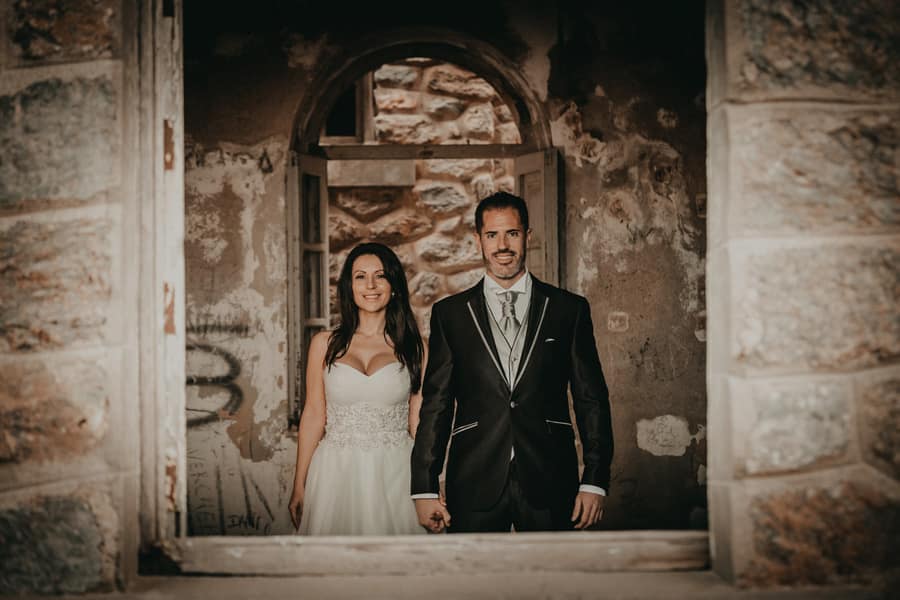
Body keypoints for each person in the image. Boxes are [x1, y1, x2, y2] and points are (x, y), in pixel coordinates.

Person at [411, 192, 613, 533]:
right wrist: (425, 486)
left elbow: (591, 399)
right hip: (474, 476)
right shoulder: (451, 315)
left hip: (551, 475)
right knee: (475, 568)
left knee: (554, 568)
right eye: (492, 235)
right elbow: (437, 405)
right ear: (478, 240)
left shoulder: (568, 309)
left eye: (512, 233)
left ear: (527, 236)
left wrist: (595, 480)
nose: (502, 245)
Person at [290, 242, 426, 535]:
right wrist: (299, 483)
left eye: (380, 276)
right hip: (335, 472)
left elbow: (419, 422)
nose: (371, 285)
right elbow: (313, 414)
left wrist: (430, 484)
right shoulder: (323, 344)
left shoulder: (417, 348)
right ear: (349, 287)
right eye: (360, 276)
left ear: (394, 286)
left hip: (397, 471)